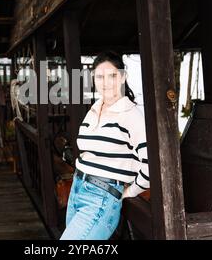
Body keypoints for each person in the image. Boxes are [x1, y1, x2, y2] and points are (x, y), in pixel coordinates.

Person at [60, 51, 149, 240]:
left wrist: (130, 191)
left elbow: (150, 164)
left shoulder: (131, 114)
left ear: (123, 76)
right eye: (100, 76)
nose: (106, 82)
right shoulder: (95, 108)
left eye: (112, 76)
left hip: (100, 197)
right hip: (77, 188)